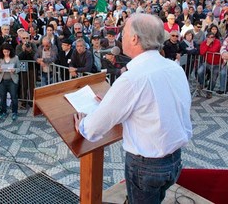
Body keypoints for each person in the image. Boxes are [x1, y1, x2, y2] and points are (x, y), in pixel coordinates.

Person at [74, 14, 192, 204]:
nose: (121, 36)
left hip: (146, 166)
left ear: (135, 38)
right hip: (174, 160)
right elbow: (155, 105)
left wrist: (83, 125)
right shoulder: (174, 67)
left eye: (124, 32)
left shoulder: (132, 78)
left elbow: (95, 128)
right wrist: (115, 102)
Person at [0, 43, 20, 121]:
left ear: (10, 51)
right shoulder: (0, 58)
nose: (6, 53)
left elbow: (19, 68)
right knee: (2, 97)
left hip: (12, 80)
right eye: (4, 52)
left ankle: (14, 112)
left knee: (14, 97)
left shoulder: (15, 58)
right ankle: (3, 112)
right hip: (2, 80)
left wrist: (14, 70)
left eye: (7, 52)